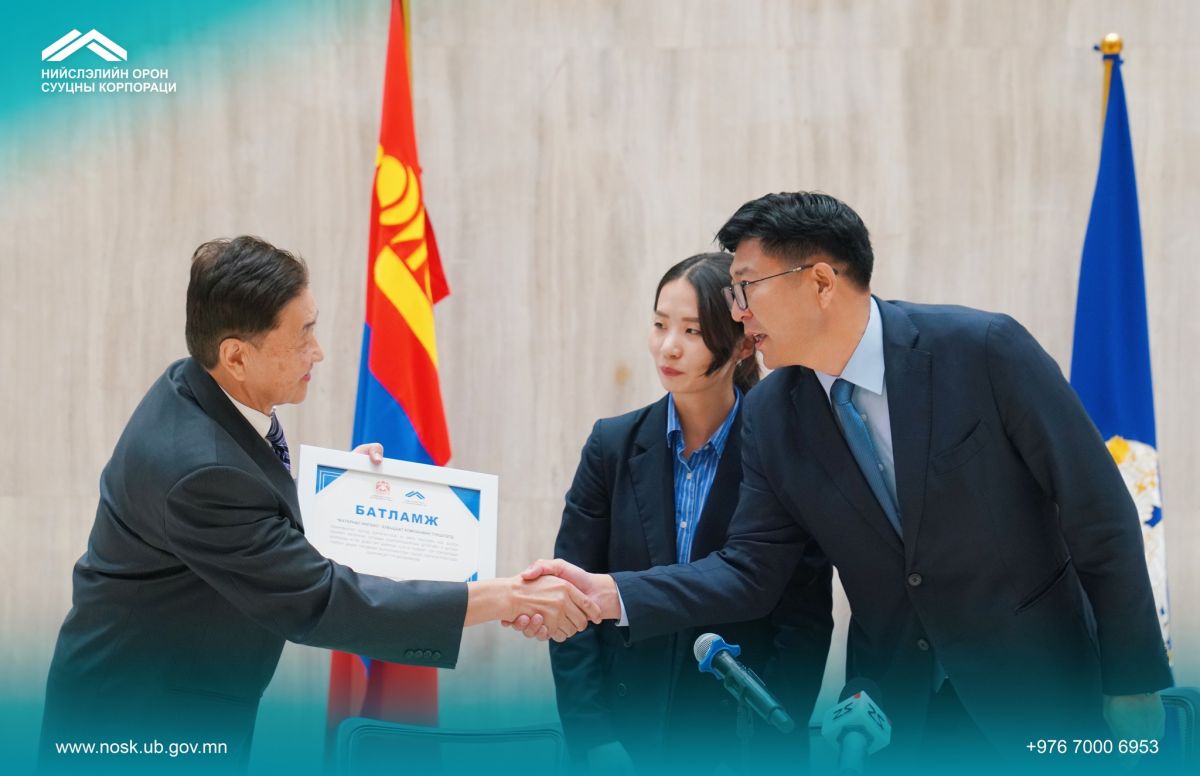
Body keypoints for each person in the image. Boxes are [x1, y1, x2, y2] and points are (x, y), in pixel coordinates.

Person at [521, 193, 1173, 767]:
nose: (738, 312)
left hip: (1046, 691)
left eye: (746, 287)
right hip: (900, 717)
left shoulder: (983, 351)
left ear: (820, 282)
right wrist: (612, 593)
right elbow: (749, 570)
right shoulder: (771, 415)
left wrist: (1133, 680)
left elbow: (1096, 509)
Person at [39, 236, 598, 771]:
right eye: (303, 334)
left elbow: (245, 516)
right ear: (236, 356)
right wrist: (504, 596)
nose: (319, 352)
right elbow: (323, 602)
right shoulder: (198, 470)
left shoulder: (199, 388)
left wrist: (344, 495)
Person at [546, 254, 832, 775]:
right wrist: (595, 739)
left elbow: (805, 623)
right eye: (660, 325)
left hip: (739, 741)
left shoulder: (781, 452)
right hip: (623, 740)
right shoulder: (612, 446)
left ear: (743, 342)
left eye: (693, 331)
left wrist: (767, 742)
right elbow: (570, 599)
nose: (668, 346)